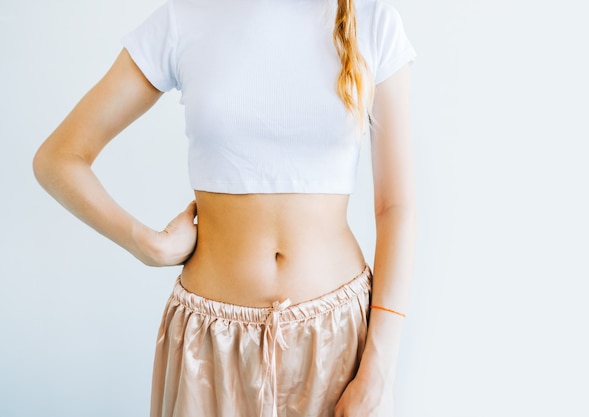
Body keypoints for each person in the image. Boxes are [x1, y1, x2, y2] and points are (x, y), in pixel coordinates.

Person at [33, 0, 417, 415]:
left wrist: (380, 369)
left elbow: (396, 206)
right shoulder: (184, 19)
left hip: (337, 345)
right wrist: (147, 244)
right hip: (209, 349)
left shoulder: (373, 21)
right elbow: (59, 158)